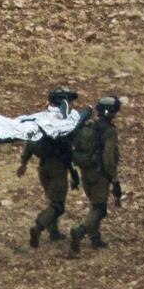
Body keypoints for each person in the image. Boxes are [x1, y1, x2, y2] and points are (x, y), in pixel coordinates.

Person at [18, 86, 79, 248]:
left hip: (42, 167)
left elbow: (31, 141)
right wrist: (74, 173)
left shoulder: (42, 120)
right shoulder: (63, 125)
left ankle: (54, 233)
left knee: (52, 200)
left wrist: (23, 163)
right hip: (57, 168)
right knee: (57, 205)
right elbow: (68, 153)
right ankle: (38, 226)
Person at [70, 95, 122, 256]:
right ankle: (80, 231)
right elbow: (108, 158)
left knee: (94, 206)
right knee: (100, 209)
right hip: (99, 174)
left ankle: (95, 238)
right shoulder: (110, 131)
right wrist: (114, 178)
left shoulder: (88, 127)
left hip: (86, 172)